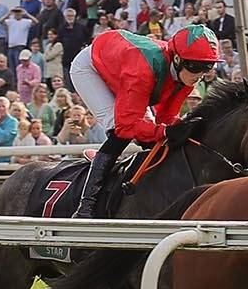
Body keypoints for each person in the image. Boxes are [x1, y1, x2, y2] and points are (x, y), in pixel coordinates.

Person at [69, 23, 221, 217]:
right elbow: (126, 127)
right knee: (118, 132)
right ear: (177, 59)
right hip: (91, 68)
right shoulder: (143, 72)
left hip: (123, 68)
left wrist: (176, 128)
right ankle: (86, 205)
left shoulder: (186, 76)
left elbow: (166, 118)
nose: (200, 75)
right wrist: (165, 131)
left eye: (207, 68)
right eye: (196, 67)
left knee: (149, 137)